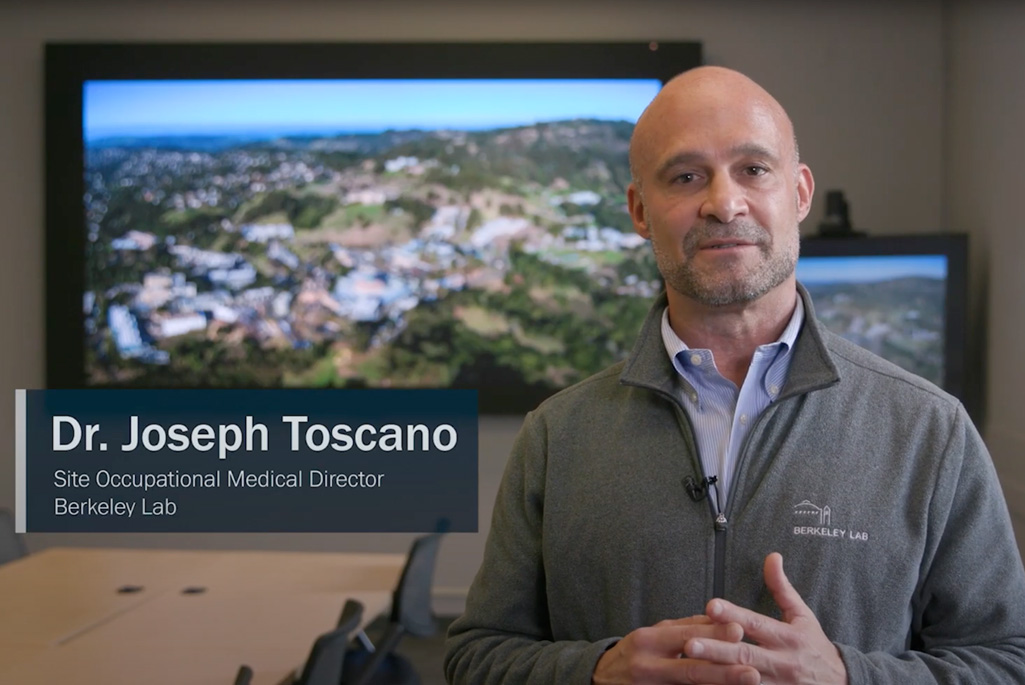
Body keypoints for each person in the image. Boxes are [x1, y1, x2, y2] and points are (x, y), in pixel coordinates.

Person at [443, 65, 1025, 685]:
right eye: (687, 176)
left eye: (753, 169)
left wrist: (849, 678)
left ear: (798, 193)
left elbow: (1005, 659)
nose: (723, 203)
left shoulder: (930, 433)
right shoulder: (556, 438)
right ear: (640, 211)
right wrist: (596, 670)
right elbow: (475, 654)